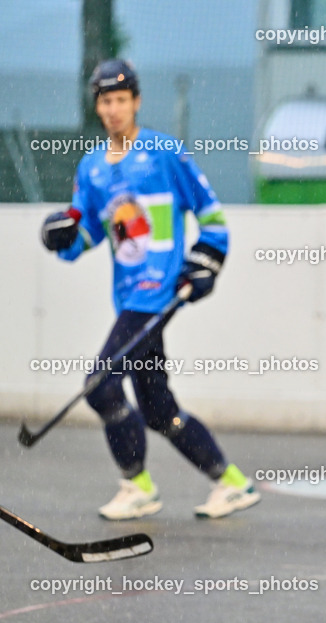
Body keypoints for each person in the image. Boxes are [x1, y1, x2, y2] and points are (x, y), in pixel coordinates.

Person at [39, 59, 259, 520]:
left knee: (100, 386)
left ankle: (136, 484)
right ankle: (231, 481)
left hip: (158, 294)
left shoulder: (165, 153)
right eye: (106, 101)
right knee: (157, 408)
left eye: (122, 99)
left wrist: (205, 264)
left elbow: (212, 215)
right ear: (97, 107)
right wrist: (61, 237)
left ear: (136, 102)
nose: (114, 109)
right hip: (129, 295)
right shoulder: (93, 168)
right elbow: (87, 234)